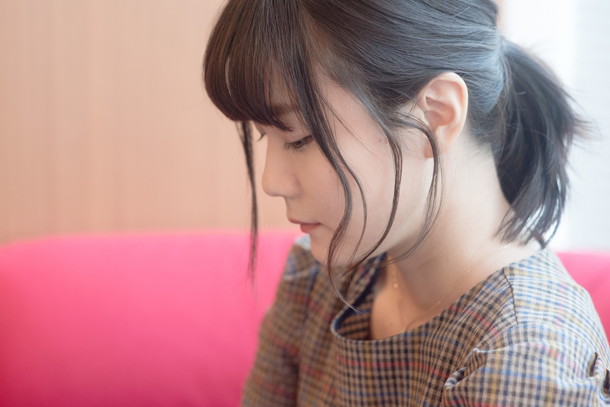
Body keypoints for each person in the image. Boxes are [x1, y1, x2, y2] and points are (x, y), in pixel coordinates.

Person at [203, 0, 610, 405]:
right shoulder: (318, 277)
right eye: (265, 135)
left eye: (299, 138)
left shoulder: (525, 362)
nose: (271, 181)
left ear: (435, 113)